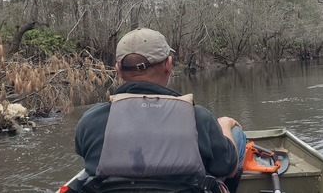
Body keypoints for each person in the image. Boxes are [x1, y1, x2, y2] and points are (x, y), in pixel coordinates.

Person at [73, 28, 246, 192]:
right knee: (236, 134)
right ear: (168, 65)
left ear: (118, 70)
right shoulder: (198, 117)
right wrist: (224, 124)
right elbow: (228, 168)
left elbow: (87, 157)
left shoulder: (91, 120)